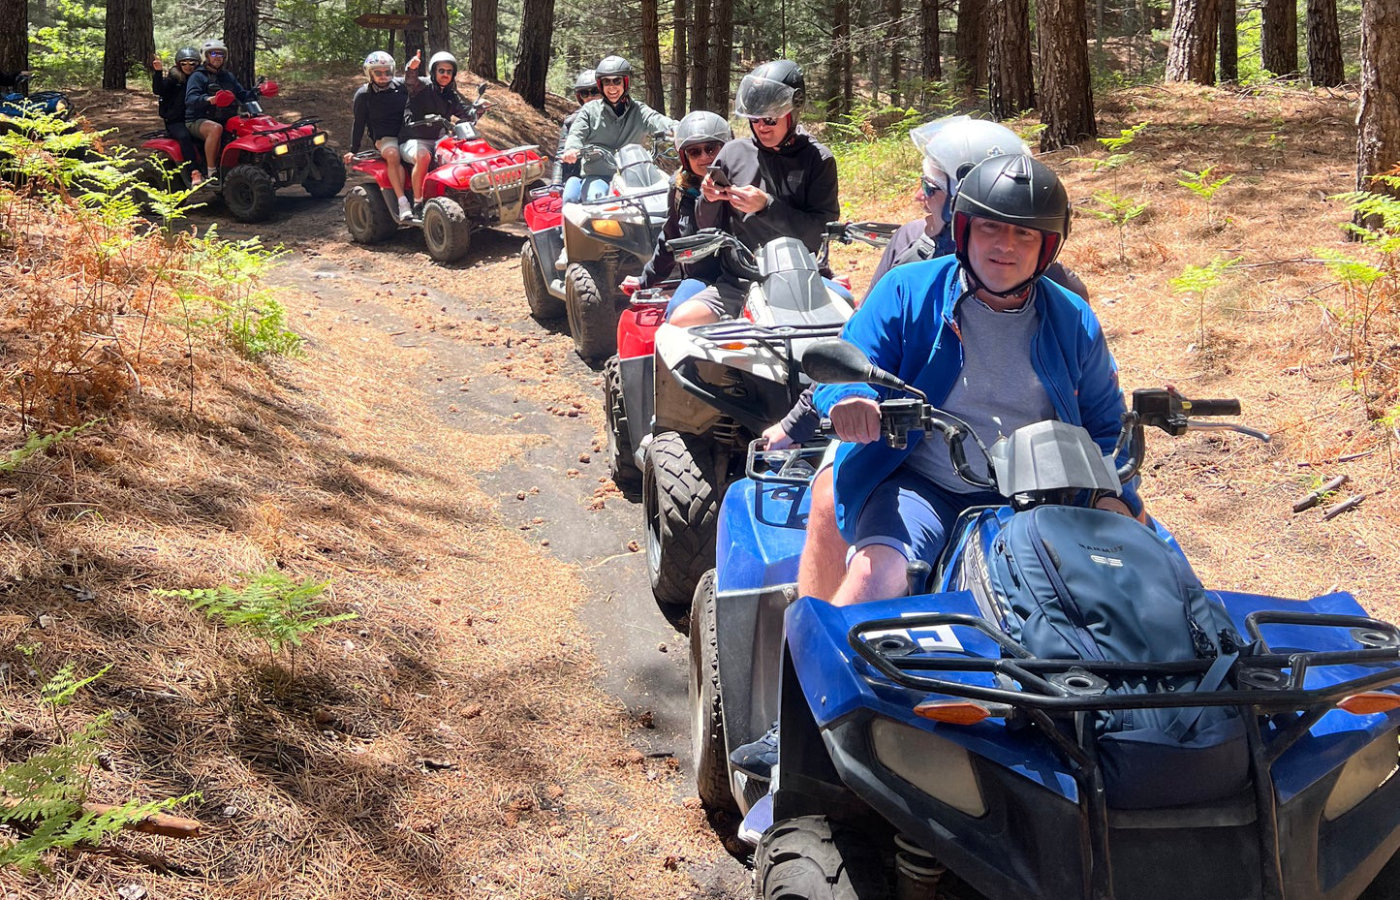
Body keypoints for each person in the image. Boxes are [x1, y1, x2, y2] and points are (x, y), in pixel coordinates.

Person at [729, 154, 1142, 782]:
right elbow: (848, 360)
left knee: (1137, 566)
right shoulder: (909, 289)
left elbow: (1106, 425)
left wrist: (1115, 491)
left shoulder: (1072, 317)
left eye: (1024, 234)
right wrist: (852, 401)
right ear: (964, 229)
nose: (1005, 246)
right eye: (992, 228)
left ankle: (1159, 722)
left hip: (1039, 496)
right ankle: (802, 729)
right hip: (924, 481)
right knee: (877, 574)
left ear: (1048, 246)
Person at [774, 119, 1094, 603]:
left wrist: (1113, 493)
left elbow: (1097, 410)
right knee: (830, 499)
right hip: (907, 452)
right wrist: (833, 405)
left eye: (930, 188)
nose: (919, 198)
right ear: (969, 216)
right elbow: (857, 348)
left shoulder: (1065, 300)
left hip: (1035, 483)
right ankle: (813, 632)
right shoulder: (911, 261)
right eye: (989, 226)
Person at [673, 59, 839, 327]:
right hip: (740, 281)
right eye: (754, 119)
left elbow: (821, 234)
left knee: (848, 319)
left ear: (793, 111)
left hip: (803, 280)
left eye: (770, 119)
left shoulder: (818, 159)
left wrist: (767, 207)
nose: (762, 126)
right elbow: (705, 226)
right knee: (680, 322)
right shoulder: (733, 152)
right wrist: (709, 199)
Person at [618, 110, 732, 308]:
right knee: (676, 312)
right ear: (684, 157)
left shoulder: (743, 182)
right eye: (694, 151)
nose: (704, 157)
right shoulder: (680, 190)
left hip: (745, 275)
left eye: (711, 148)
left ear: (725, 148)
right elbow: (670, 239)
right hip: (702, 279)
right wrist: (645, 280)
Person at [559, 55, 676, 204]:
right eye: (606, 82)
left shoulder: (639, 110)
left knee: (661, 198)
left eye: (617, 81)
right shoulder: (589, 110)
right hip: (599, 176)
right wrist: (572, 149)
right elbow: (576, 133)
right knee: (596, 200)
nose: (612, 86)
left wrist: (679, 129)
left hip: (635, 176)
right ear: (600, 84)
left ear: (625, 82)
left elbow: (658, 120)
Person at [401, 49, 473, 217]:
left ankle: (464, 196)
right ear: (434, 71)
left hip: (439, 139)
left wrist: (478, 109)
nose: (445, 74)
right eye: (441, 70)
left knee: (460, 153)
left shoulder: (449, 94)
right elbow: (410, 82)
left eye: (449, 71)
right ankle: (418, 203)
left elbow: (463, 112)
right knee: (423, 157)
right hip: (414, 138)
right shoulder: (421, 86)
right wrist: (411, 68)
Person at [345, 50, 412, 221]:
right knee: (393, 154)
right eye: (378, 73)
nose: (383, 76)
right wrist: (353, 149)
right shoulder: (364, 95)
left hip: (409, 133)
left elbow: (425, 88)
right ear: (370, 73)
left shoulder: (402, 87)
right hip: (385, 137)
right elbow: (359, 123)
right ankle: (402, 201)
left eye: (387, 72)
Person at [184, 39, 259, 184]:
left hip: (224, 117)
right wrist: (209, 99)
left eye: (221, 54)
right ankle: (212, 172)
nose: (217, 57)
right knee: (215, 128)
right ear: (206, 56)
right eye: (213, 54)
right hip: (197, 119)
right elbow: (190, 99)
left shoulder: (227, 76)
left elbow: (242, 95)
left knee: (249, 125)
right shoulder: (198, 76)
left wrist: (257, 91)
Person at [151, 47, 203, 185]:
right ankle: (194, 171)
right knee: (184, 137)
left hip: (195, 118)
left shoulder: (200, 79)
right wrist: (158, 72)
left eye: (192, 63)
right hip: (175, 121)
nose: (188, 67)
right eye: (184, 63)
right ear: (178, 64)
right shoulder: (174, 80)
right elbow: (159, 89)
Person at [552, 69, 599, 184]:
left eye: (595, 91)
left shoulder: (618, 117)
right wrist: (556, 183)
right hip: (579, 176)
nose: (590, 97)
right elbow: (560, 155)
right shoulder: (571, 122)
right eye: (584, 93)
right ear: (580, 97)